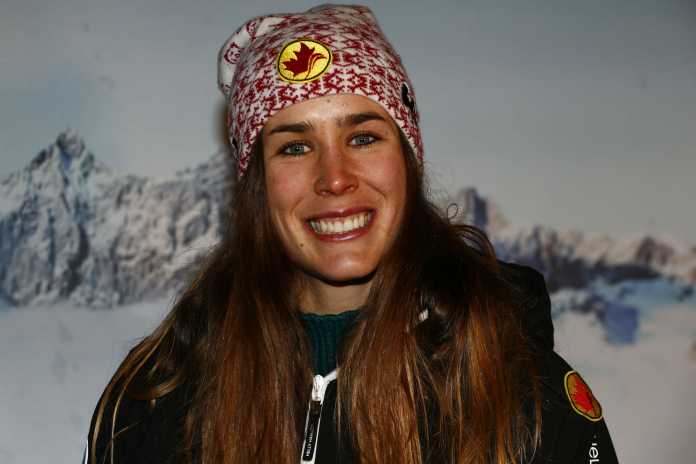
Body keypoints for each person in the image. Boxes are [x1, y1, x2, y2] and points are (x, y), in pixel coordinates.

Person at [83, 4, 618, 463]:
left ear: (407, 161)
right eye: (295, 147)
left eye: (363, 138)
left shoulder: (523, 395)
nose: (335, 177)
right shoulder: (156, 398)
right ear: (257, 185)